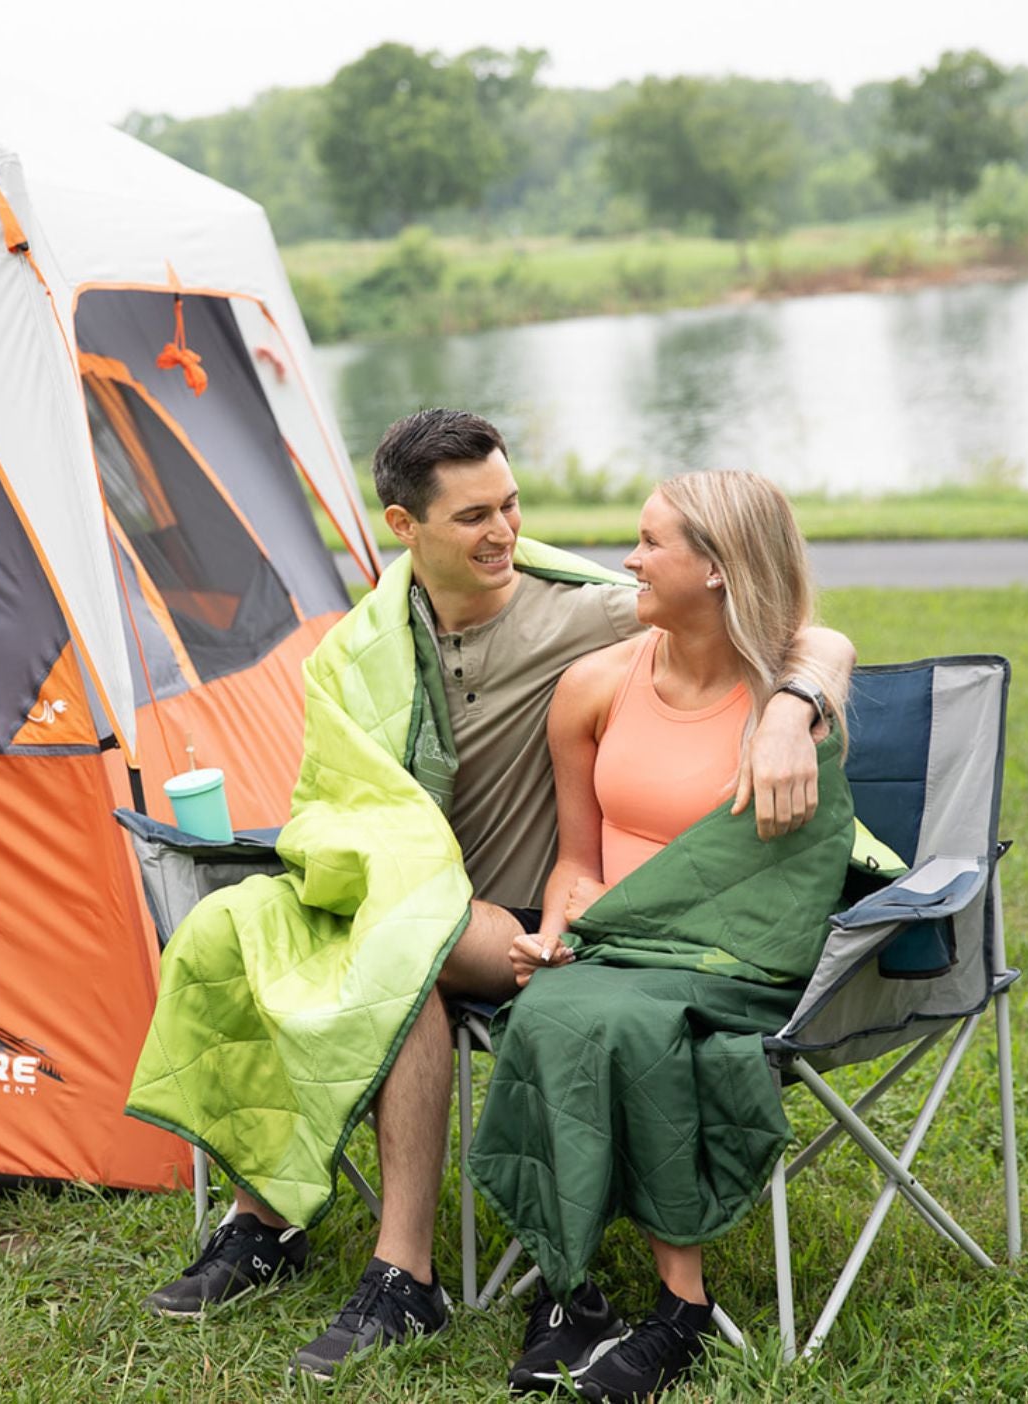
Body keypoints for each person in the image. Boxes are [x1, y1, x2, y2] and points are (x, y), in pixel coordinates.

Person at [128, 414, 855, 1383]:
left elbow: (798, 629)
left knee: (406, 956)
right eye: (474, 516)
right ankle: (263, 1222)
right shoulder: (359, 650)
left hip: (491, 915)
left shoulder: (592, 619)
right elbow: (344, 797)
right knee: (230, 929)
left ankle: (405, 1277)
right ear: (404, 524)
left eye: (510, 505)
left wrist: (795, 711)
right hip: (386, 883)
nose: (504, 531)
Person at [468, 470, 856, 1400]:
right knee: (571, 1006)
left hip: (734, 959)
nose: (629, 560)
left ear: (720, 569)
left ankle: (675, 1307)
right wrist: (561, 922)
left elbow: (822, 647)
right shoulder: (594, 687)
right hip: (611, 949)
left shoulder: (789, 704)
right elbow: (577, 862)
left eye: (651, 543)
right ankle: (574, 1291)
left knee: (612, 1025)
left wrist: (793, 717)